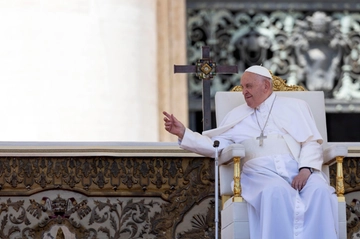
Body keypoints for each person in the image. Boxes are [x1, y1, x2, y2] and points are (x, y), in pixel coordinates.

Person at [163, 65, 339, 239]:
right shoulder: (236, 115)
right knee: (275, 191)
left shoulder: (296, 107)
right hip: (259, 174)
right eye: (242, 86)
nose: (244, 91)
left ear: (266, 86)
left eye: (249, 86)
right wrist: (184, 133)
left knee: (320, 191)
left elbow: (311, 142)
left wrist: (305, 170)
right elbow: (216, 145)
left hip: (297, 168)